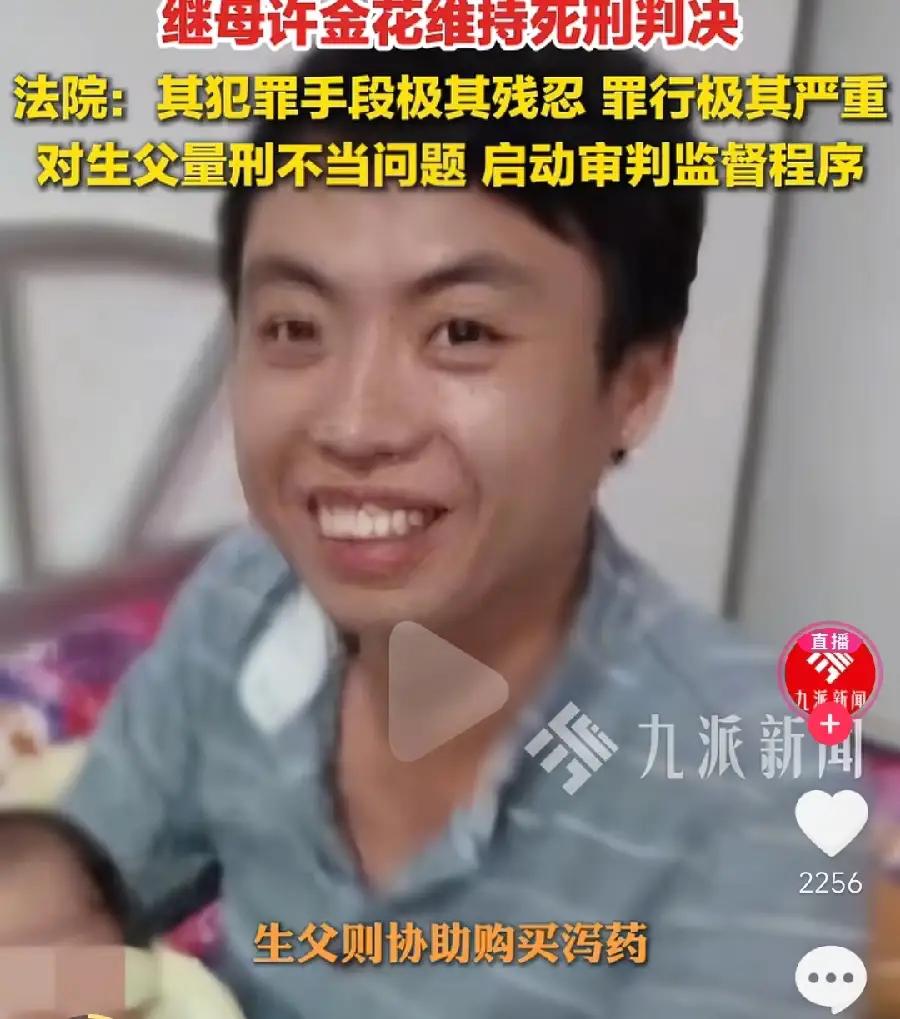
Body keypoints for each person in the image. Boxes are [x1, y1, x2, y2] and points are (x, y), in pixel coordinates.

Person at [2, 45, 867, 1019]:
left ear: (633, 386)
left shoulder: (756, 779)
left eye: (463, 332)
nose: (353, 424)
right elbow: (65, 918)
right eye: (293, 327)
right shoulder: (245, 607)